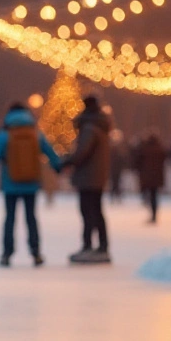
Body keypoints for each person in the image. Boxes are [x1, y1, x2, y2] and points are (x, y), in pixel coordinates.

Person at [0, 103, 62, 267]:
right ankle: (36, 252)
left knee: (10, 218)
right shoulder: (35, 133)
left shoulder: (5, 135)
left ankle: (7, 253)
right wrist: (58, 165)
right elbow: (49, 151)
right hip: (31, 182)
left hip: (10, 182)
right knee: (31, 218)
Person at [60, 95, 113, 264]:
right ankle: (101, 246)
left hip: (88, 177)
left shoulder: (90, 128)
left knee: (88, 212)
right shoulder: (101, 126)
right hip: (97, 176)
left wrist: (68, 161)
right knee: (96, 211)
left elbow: (82, 152)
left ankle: (89, 246)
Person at [135, 132, 168, 224]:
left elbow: (138, 160)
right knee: (154, 196)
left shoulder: (145, 148)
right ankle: (154, 214)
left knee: (148, 194)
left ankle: (151, 212)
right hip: (156, 177)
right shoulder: (160, 148)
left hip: (147, 177)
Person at [108, 128, 129, 202]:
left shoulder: (115, 148)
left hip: (115, 169)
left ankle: (115, 196)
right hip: (115, 169)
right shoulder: (118, 149)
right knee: (115, 183)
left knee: (116, 183)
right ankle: (115, 196)